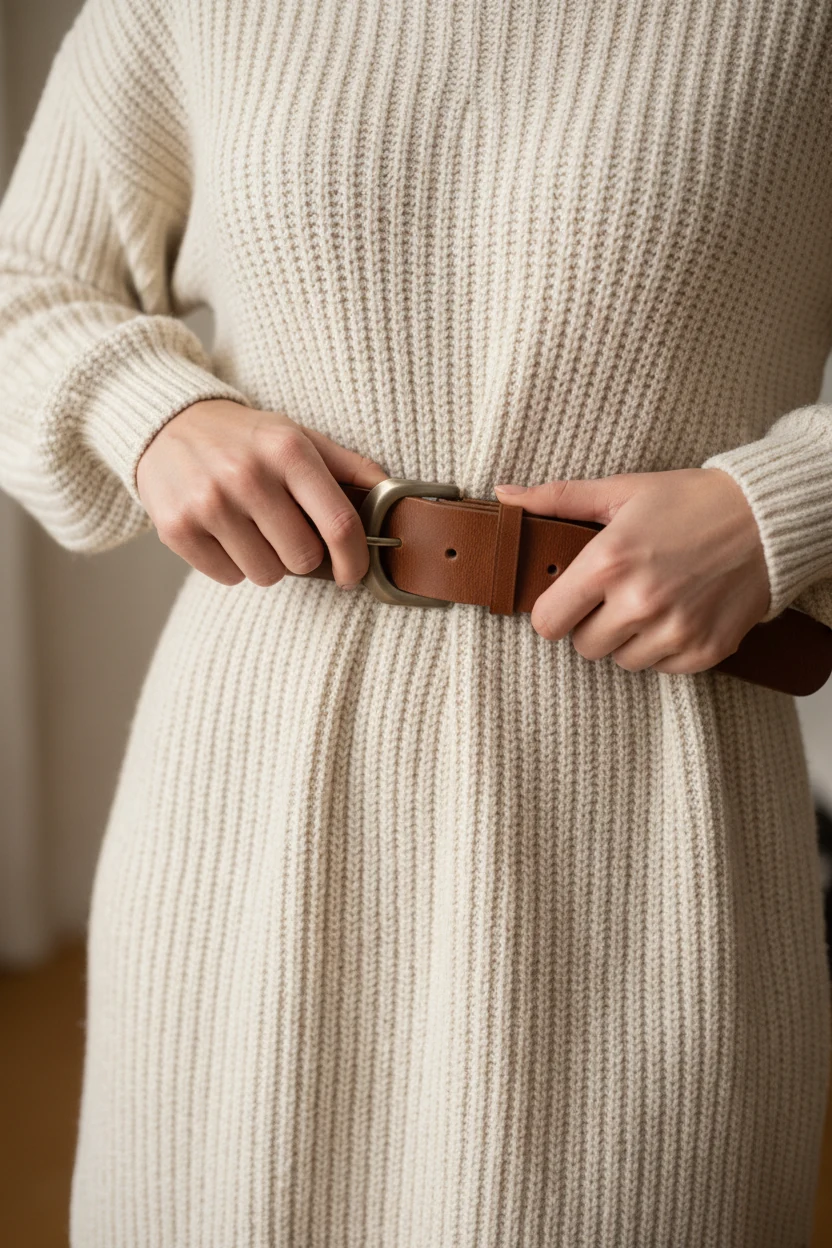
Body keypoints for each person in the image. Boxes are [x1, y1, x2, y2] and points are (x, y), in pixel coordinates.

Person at [0, 0, 830, 1244]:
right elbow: (25, 283)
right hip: (246, 803)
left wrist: (781, 509)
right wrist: (146, 409)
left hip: (645, 832)